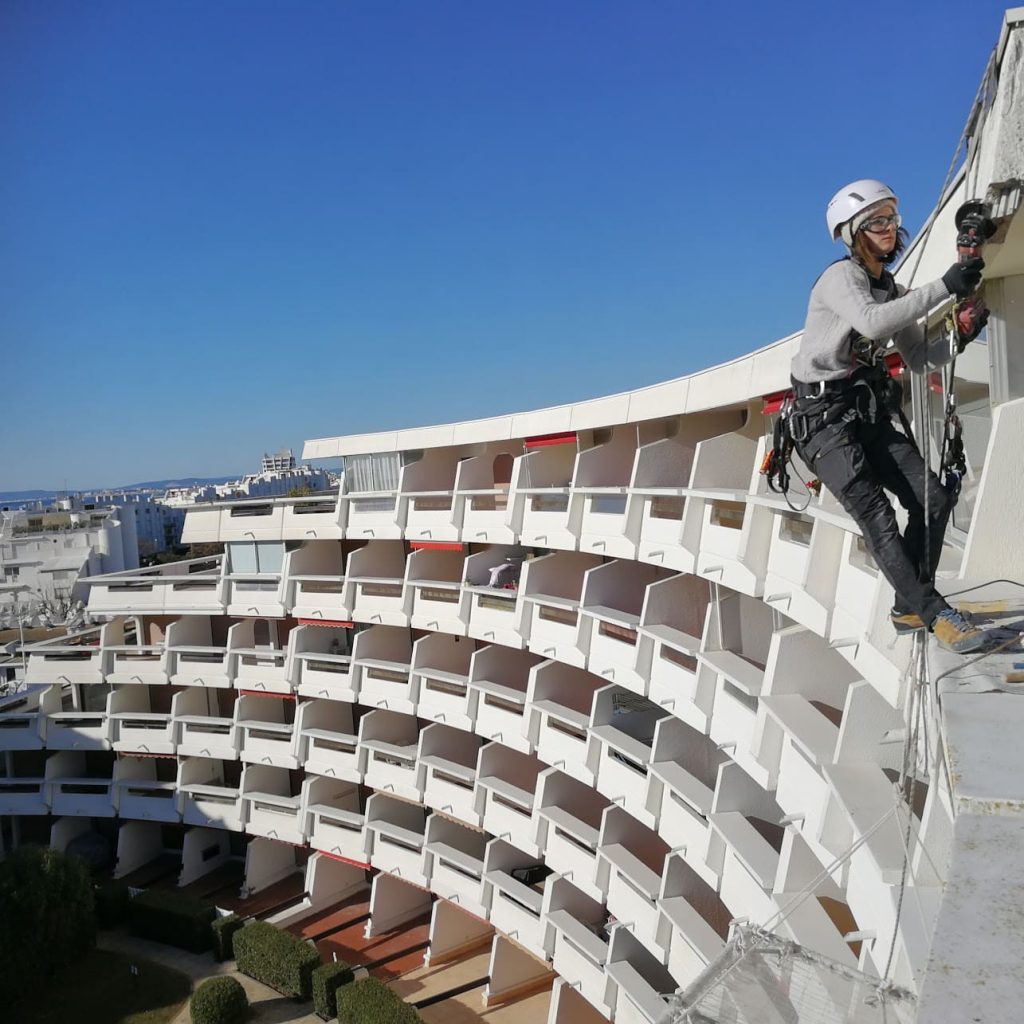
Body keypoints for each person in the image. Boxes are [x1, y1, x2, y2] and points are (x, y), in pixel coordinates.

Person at [790, 179, 987, 653]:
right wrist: (944, 286)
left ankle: (908, 605)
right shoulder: (841, 280)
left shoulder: (890, 289)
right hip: (821, 421)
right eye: (876, 220)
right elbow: (875, 323)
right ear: (853, 232)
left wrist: (959, 335)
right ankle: (935, 612)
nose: (888, 227)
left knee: (933, 499)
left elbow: (918, 357)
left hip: (862, 413)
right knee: (877, 518)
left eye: (892, 218)